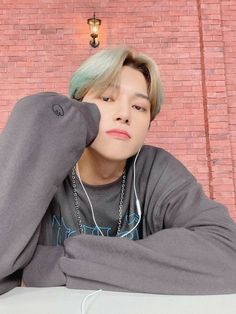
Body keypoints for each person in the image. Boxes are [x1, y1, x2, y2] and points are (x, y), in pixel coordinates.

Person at [0, 47, 236, 295]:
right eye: (107, 98)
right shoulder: (45, 165)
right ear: (80, 108)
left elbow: (228, 252)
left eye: (139, 107)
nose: (124, 115)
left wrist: (53, 265)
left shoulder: (156, 169)